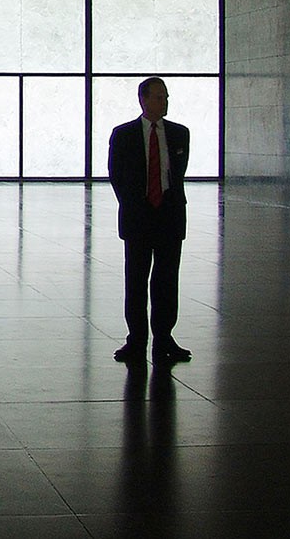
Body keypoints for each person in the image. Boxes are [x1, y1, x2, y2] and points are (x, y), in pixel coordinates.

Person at [108, 76, 192, 365]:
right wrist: (134, 206)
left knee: (167, 280)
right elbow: (116, 176)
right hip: (139, 217)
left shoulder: (180, 133)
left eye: (166, 97)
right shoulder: (124, 134)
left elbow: (176, 175)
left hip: (170, 216)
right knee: (136, 279)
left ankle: (165, 337)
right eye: (158, 97)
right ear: (143, 99)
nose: (164, 102)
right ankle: (136, 340)